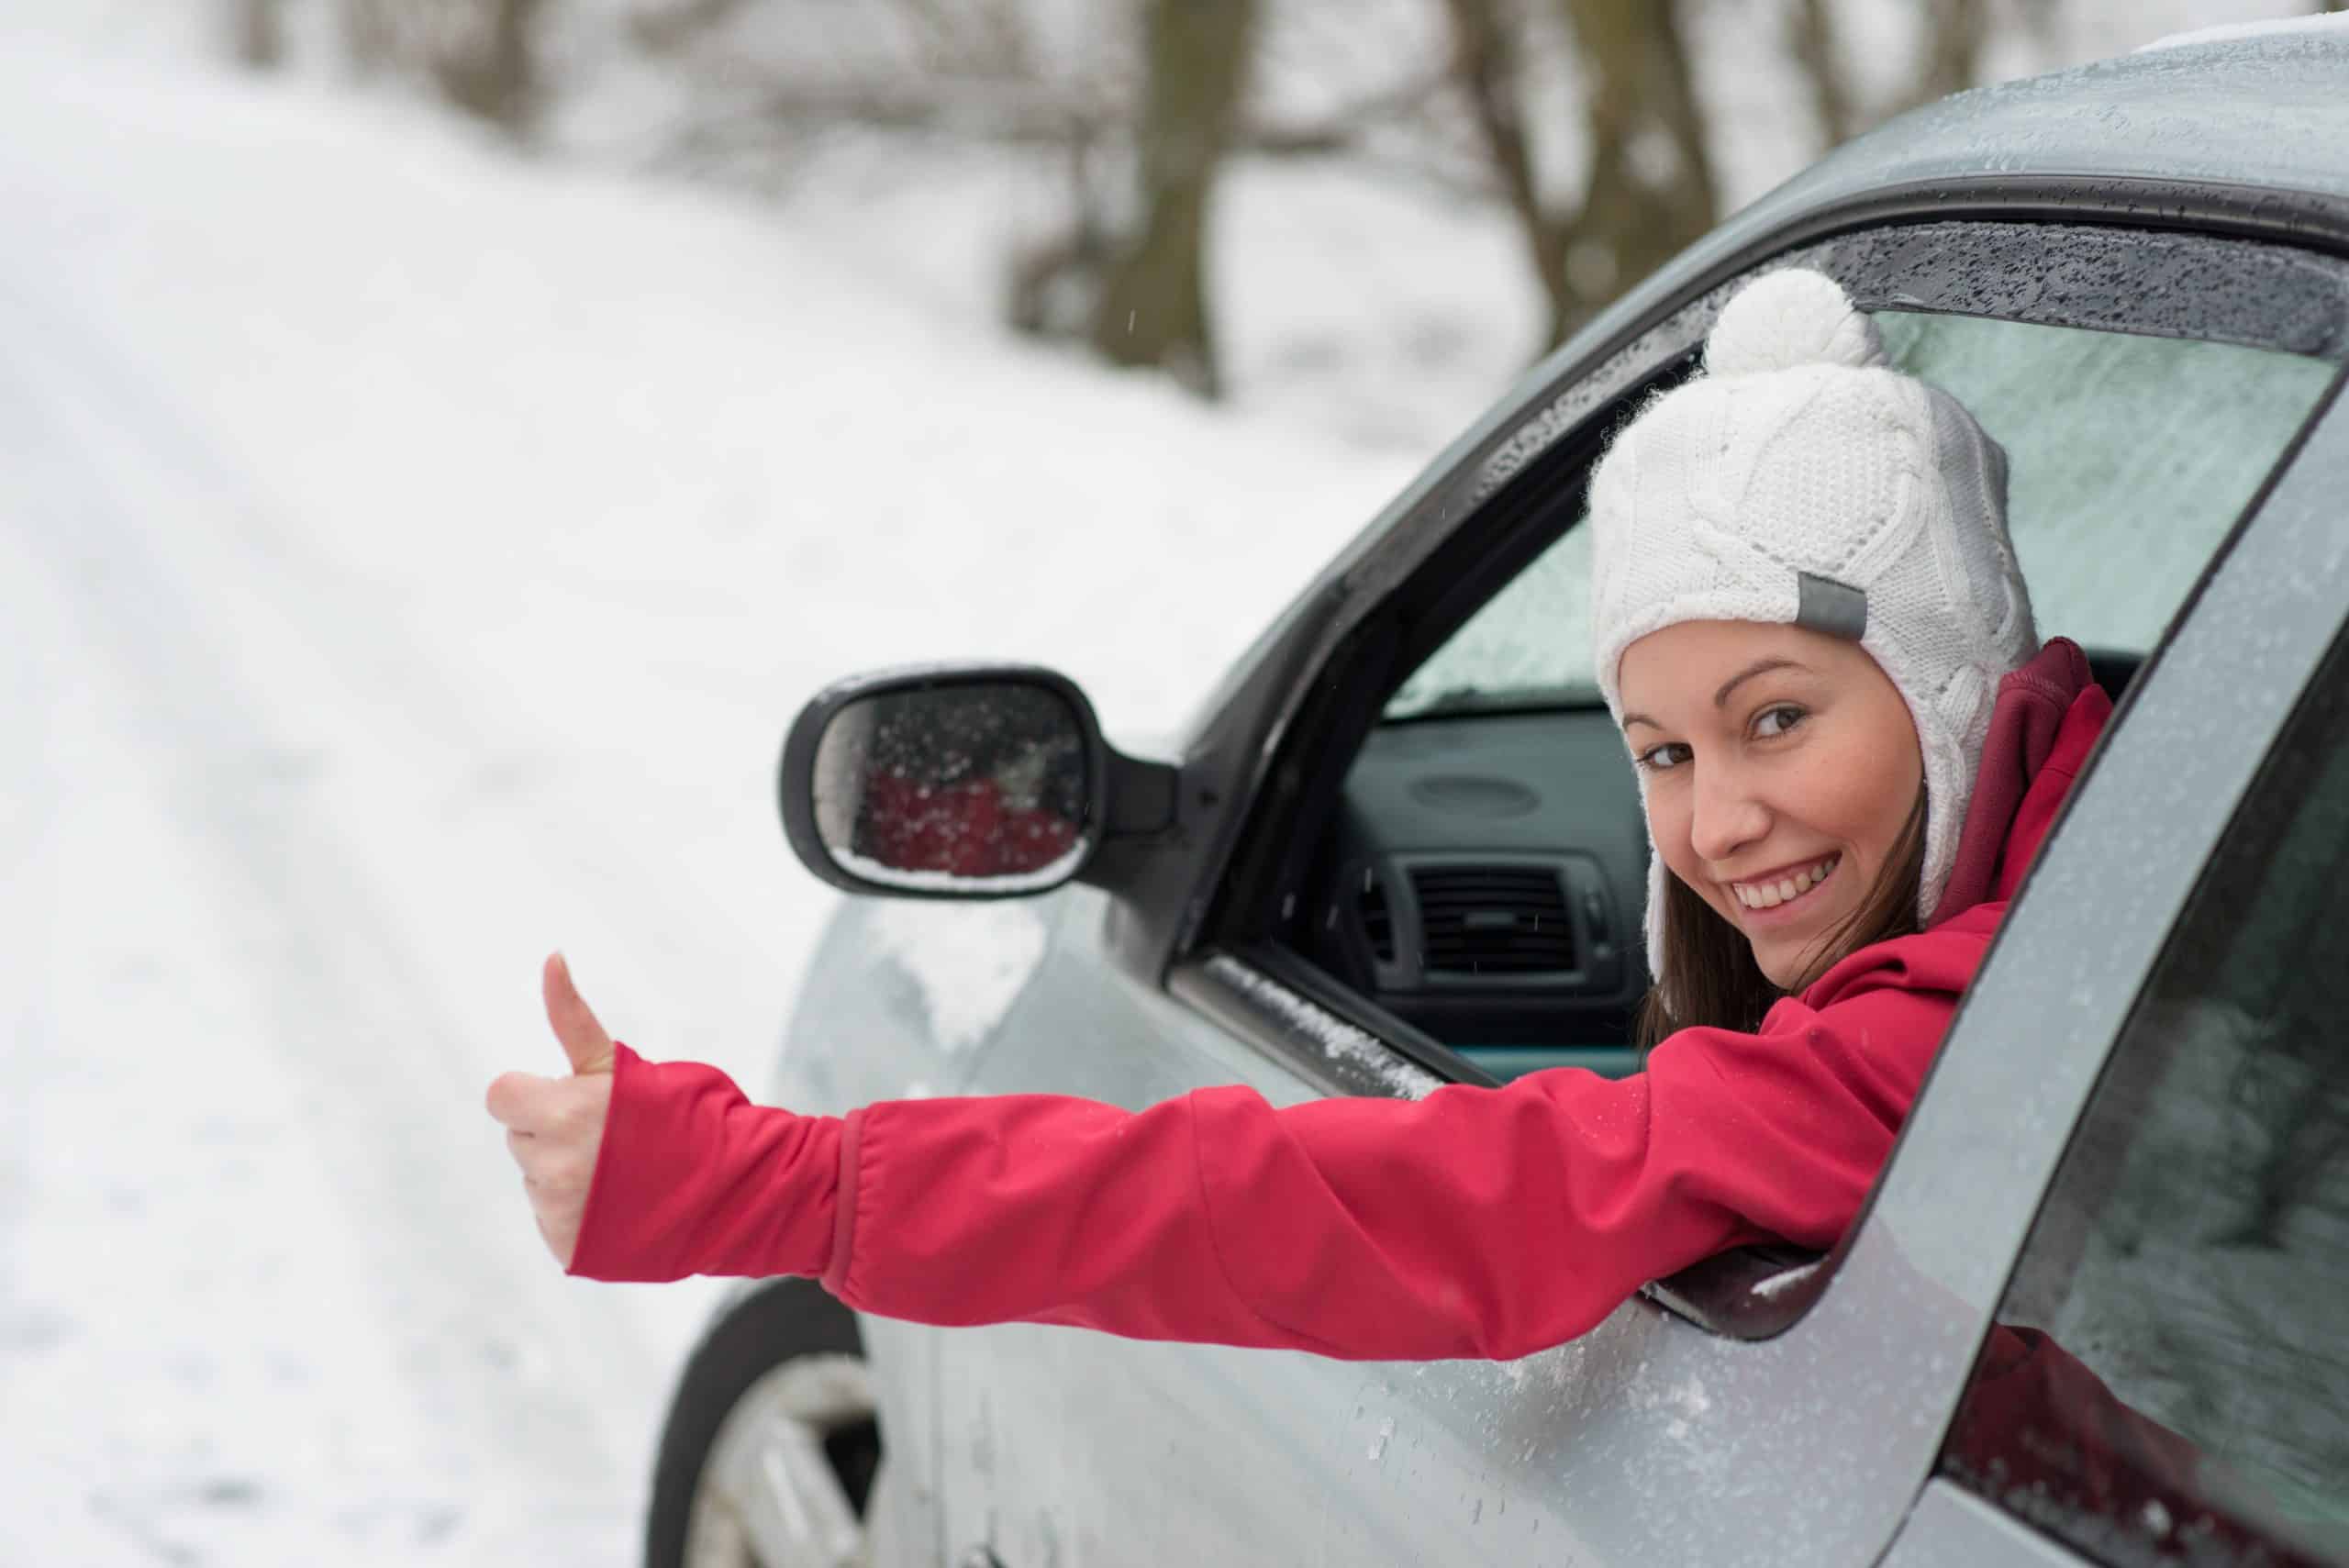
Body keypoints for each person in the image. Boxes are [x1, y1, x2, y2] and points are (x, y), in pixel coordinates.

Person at [484, 268, 2112, 1362]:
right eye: (1664, 752)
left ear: (1950, 681)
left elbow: (1376, 1204)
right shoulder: (2151, 851)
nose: (1724, 821)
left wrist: (791, 1189)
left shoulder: (1933, 1047)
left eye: (1777, 717)